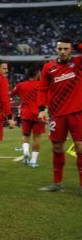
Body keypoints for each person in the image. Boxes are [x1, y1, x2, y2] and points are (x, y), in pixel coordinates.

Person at [37, 38, 82, 193]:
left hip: (77, 112)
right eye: (60, 49)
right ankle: (57, 184)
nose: (62, 51)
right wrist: (42, 109)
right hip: (57, 113)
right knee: (57, 147)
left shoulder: (78, 63)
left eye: (66, 48)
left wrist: (77, 46)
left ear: (71, 50)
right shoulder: (49, 67)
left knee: (80, 147)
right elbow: (42, 89)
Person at [11, 67, 44, 168]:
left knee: (26, 136)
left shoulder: (21, 85)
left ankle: (26, 152)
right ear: (38, 73)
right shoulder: (42, 85)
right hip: (38, 114)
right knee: (37, 138)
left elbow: (13, 93)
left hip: (26, 114)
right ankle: (33, 161)